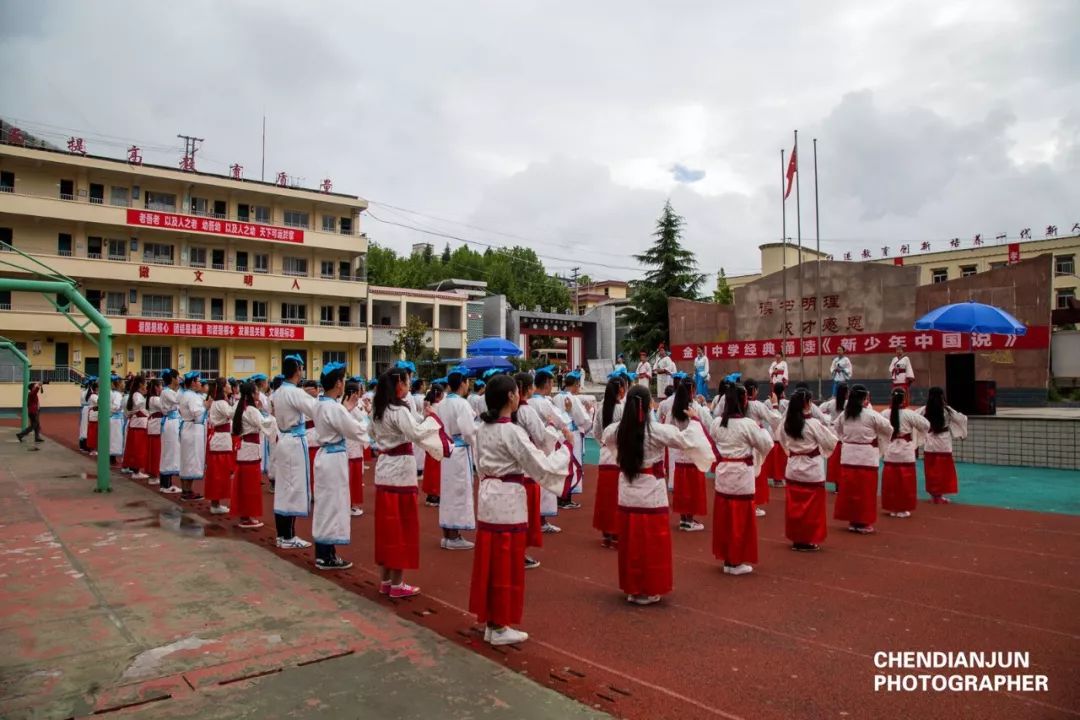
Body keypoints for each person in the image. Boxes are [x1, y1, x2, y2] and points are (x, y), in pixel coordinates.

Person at [469, 374, 571, 646]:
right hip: (507, 501)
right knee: (506, 563)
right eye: (515, 392)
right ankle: (500, 625)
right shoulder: (510, 431)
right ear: (511, 397)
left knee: (491, 562)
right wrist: (564, 452)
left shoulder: (482, 429)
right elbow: (538, 464)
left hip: (489, 497)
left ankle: (492, 621)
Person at [603, 384, 713, 604]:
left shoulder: (616, 430)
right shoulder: (656, 431)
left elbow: (607, 440)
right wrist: (694, 420)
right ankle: (649, 587)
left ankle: (633, 588)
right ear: (647, 405)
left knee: (631, 543)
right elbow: (687, 440)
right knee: (652, 544)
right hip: (651, 494)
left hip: (627, 493)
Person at [370, 366, 449, 598]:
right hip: (401, 472)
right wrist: (432, 419)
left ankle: (385, 580)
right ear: (400, 385)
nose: (409, 383)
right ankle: (397, 583)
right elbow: (415, 433)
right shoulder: (398, 409)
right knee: (401, 527)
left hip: (385, 469)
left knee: (386, 527)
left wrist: (423, 418)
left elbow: (373, 434)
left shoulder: (379, 409)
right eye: (407, 380)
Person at [709, 385, 774, 574]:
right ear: (744, 401)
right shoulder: (748, 424)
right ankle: (736, 561)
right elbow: (766, 445)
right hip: (742, 476)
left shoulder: (717, 423)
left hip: (723, 475)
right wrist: (761, 429)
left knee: (725, 519)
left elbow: (714, 439)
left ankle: (728, 559)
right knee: (740, 520)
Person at [311, 363, 370, 571]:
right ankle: (327, 555)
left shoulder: (321, 403)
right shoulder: (333, 407)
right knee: (334, 504)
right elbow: (354, 429)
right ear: (338, 383)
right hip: (333, 459)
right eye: (343, 379)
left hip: (325, 455)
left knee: (325, 503)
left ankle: (324, 551)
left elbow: (338, 420)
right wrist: (368, 421)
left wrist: (348, 409)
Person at [514, 371, 568, 566]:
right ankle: (519, 552)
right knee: (526, 511)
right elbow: (541, 438)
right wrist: (553, 428)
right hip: (528, 463)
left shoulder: (505, 412)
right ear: (529, 388)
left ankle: (512, 551)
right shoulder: (526, 410)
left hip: (508, 468)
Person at [778, 389, 838, 551]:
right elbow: (830, 442)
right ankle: (809, 539)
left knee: (794, 506)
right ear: (806, 403)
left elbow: (781, 441)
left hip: (793, 467)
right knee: (812, 508)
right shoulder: (814, 424)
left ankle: (797, 538)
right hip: (812, 469)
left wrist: (793, 453)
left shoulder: (786, 423)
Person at [271, 355, 320, 549]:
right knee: (293, 487)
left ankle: (282, 534)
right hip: (293, 441)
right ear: (298, 369)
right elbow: (316, 409)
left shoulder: (279, 391)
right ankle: (289, 536)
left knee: (284, 487)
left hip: (284, 438)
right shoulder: (295, 392)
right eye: (301, 368)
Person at [833, 384, 893, 534]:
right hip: (866, 458)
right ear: (865, 398)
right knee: (865, 492)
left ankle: (853, 521)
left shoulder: (845, 414)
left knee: (850, 491)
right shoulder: (871, 415)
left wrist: (847, 439)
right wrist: (877, 441)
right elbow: (888, 429)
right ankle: (863, 522)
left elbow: (837, 429)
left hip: (848, 457)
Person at [438, 371, 478, 550]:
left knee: (447, 492)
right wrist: (476, 445)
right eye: (467, 381)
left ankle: (448, 534)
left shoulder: (442, 403)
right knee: (459, 492)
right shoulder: (462, 404)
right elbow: (469, 431)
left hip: (447, 451)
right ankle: (454, 536)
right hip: (460, 451)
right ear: (462, 383)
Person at [530, 366, 575, 516]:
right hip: (544, 443)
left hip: (530, 444)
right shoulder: (544, 403)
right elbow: (561, 420)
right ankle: (542, 516)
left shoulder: (529, 402)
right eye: (551, 382)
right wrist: (568, 413)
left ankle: (536, 514)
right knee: (545, 479)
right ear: (547, 384)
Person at [881, 388, 931, 518]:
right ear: (904, 399)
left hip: (891, 451)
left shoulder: (885, 414)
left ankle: (892, 507)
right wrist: (916, 436)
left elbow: (877, 428)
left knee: (891, 482)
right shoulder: (910, 414)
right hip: (906, 451)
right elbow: (926, 425)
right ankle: (903, 508)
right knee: (905, 482)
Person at [231, 381, 274, 529]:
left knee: (244, 483)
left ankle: (244, 514)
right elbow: (265, 424)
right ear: (251, 394)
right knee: (250, 485)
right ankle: (249, 516)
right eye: (256, 392)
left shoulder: (241, 407)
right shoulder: (251, 410)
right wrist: (271, 416)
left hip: (244, 448)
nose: (258, 394)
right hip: (250, 449)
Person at [667, 381, 708, 532]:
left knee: (682, 488)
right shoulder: (695, 407)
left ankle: (684, 519)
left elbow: (669, 427)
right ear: (693, 390)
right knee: (692, 488)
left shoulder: (675, 408)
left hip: (680, 453)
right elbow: (706, 424)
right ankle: (689, 520)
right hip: (693, 453)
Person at [918, 386, 968, 504]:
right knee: (943, 470)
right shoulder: (947, 410)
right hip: (943, 443)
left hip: (930, 443)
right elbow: (962, 419)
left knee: (931, 471)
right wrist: (961, 433)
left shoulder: (925, 409)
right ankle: (939, 495)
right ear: (942, 396)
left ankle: (934, 495)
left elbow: (915, 418)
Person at [592, 375, 626, 548]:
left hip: (604, 455)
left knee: (605, 496)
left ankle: (606, 532)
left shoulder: (601, 408)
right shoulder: (622, 408)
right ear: (621, 389)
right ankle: (616, 533)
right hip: (618, 456)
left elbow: (595, 432)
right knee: (617, 496)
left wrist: (604, 444)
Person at [744, 379, 781, 516]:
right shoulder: (756, 405)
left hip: (741, 441)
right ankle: (752, 504)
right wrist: (775, 405)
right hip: (755, 442)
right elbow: (775, 420)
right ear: (754, 391)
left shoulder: (737, 403)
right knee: (755, 473)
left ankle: (745, 503)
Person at [556, 369, 592, 505]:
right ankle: (566, 498)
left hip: (560, 434)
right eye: (578, 384)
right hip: (573, 434)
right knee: (572, 465)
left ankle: (561, 496)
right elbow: (582, 419)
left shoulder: (556, 397)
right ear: (575, 384)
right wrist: (587, 424)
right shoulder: (573, 399)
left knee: (563, 464)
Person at [204, 377, 235, 515]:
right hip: (220, 441)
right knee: (218, 474)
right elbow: (231, 414)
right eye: (228, 384)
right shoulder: (221, 403)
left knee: (219, 473)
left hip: (221, 440)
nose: (230, 386)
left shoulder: (220, 402)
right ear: (223, 388)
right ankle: (215, 503)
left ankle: (216, 502)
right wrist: (241, 404)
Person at [177, 371, 208, 501]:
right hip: (192, 429)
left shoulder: (186, 395)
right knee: (191, 458)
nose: (200, 383)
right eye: (198, 381)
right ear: (193, 383)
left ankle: (186, 489)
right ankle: (188, 490)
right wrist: (206, 407)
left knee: (186, 458)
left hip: (187, 427)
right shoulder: (192, 396)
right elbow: (197, 413)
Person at [344, 378, 368, 517]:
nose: (361, 392)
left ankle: (349, 503)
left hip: (349, 445)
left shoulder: (343, 404)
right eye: (359, 390)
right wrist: (367, 411)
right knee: (353, 477)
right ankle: (352, 505)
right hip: (353, 446)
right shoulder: (352, 407)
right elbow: (363, 421)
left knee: (348, 476)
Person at [819, 383, 849, 493]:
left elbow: (820, 410)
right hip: (844, 434)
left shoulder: (831, 403)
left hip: (833, 435)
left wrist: (827, 422)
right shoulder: (848, 403)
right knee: (844, 462)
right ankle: (842, 485)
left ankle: (837, 485)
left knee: (835, 462)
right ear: (846, 392)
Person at [158, 370, 182, 494]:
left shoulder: (171, 392)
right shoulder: (167, 392)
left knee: (172, 451)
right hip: (170, 422)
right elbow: (178, 400)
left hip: (174, 422)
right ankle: (165, 484)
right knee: (169, 452)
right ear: (172, 378)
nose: (179, 379)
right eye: (178, 377)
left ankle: (167, 483)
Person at [421, 384, 445, 506]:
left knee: (430, 467)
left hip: (429, 440)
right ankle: (435, 495)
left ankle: (430, 494)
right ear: (439, 395)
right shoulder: (440, 407)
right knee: (436, 468)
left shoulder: (428, 407)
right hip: (437, 440)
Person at [121, 376, 150, 480]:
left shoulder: (135, 394)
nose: (146, 385)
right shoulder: (137, 395)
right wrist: (146, 396)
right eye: (145, 383)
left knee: (135, 447)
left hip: (137, 423)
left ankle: (135, 468)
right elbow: (139, 405)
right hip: (138, 424)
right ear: (140, 385)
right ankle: (136, 470)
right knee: (138, 448)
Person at [766, 381, 789, 489]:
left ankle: (774, 477)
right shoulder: (786, 403)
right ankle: (779, 478)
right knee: (781, 456)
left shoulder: (767, 402)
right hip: (782, 429)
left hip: (771, 429)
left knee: (773, 455)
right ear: (783, 391)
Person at [302, 379, 321, 495]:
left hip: (314, 436)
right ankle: (311, 491)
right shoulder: (311, 403)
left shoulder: (318, 402)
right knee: (310, 467)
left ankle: (313, 491)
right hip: (310, 436)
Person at [145, 378, 162, 485]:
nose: (162, 388)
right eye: (160, 386)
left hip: (154, 426)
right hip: (156, 427)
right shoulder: (155, 399)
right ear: (156, 387)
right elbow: (165, 408)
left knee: (153, 451)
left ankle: (153, 474)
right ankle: (154, 475)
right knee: (155, 452)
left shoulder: (151, 398)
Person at [108, 374, 125, 467]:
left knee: (111, 438)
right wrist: (120, 408)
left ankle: (111, 457)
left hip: (111, 417)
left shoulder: (110, 393)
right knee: (116, 439)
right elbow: (116, 407)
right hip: (116, 419)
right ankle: (112, 458)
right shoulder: (117, 395)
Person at [86, 381, 100, 456]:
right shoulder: (93, 396)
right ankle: (92, 449)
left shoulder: (96, 395)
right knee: (93, 433)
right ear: (96, 388)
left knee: (96, 433)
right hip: (94, 416)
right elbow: (100, 402)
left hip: (96, 415)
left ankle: (95, 448)